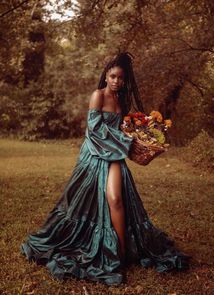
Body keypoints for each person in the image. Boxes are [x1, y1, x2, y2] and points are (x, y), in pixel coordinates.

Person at [21, 52, 190, 286]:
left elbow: (121, 128)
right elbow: (94, 131)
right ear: (106, 75)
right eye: (112, 76)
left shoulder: (121, 101)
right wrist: (125, 142)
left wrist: (140, 134)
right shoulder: (97, 96)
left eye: (121, 78)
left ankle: (119, 252)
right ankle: (110, 251)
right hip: (94, 154)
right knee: (95, 201)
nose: (116, 81)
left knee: (116, 199)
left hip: (114, 155)